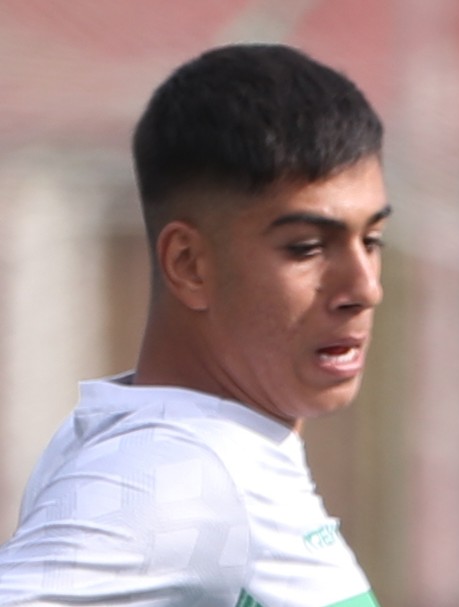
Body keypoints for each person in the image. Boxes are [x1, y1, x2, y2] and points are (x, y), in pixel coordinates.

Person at [0, 43, 391, 606]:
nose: (364, 288)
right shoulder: (179, 475)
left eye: (371, 240)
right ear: (189, 264)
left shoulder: (216, 451)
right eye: (306, 247)